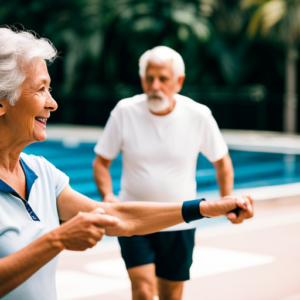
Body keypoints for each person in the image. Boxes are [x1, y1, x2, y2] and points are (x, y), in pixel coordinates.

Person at [0, 27, 253, 300]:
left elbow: (119, 217)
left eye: (50, 88)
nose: (53, 103)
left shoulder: (42, 173)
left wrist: (207, 207)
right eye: (40, 89)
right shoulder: (126, 111)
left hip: (177, 232)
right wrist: (57, 239)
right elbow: (103, 169)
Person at [93, 46, 235, 300]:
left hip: (179, 221)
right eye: (150, 78)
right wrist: (108, 195)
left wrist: (226, 200)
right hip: (134, 219)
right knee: (144, 291)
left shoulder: (198, 115)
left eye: (163, 78)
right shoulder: (124, 111)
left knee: (171, 295)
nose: (155, 85)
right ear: (142, 80)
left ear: (178, 81)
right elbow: (101, 162)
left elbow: (222, 162)